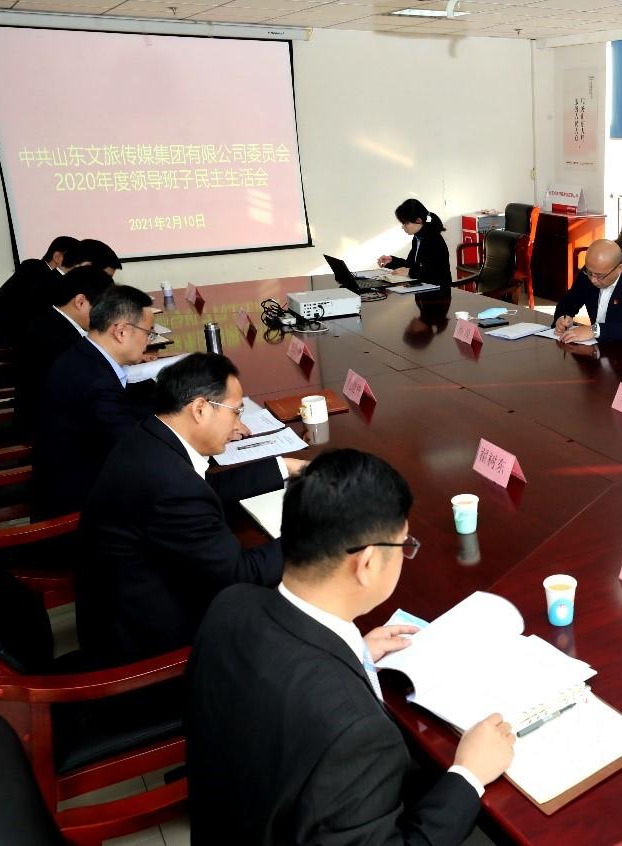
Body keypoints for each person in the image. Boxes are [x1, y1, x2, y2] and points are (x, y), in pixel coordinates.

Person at [188, 449, 514, 844]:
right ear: (367, 563)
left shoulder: (231, 604)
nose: (405, 554)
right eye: (403, 544)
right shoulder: (356, 734)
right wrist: (468, 774)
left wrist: (352, 654)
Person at [78, 353, 308, 664]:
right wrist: (318, 531)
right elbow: (240, 574)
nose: (241, 426)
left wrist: (284, 466)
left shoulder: (151, 435)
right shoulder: (172, 486)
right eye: (236, 412)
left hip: (121, 604)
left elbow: (204, 488)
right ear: (199, 409)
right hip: (151, 646)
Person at [30, 284, 158, 519]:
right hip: (85, 509)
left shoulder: (84, 355)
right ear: (121, 331)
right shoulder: (95, 382)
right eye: (148, 332)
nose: (149, 341)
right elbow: (135, 446)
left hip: (81, 476)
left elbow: (124, 408)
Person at [12, 265, 114, 435]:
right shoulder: (55, 337)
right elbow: (90, 382)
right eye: (105, 310)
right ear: (80, 302)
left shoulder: (53, 319)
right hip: (50, 428)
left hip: (53, 413)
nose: (107, 318)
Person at [551, 239, 622, 344]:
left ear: (619, 268)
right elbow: (570, 300)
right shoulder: (591, 271)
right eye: (589, 273)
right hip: (596, 345)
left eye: (599, 276)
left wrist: (595, 330)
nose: (593, 280)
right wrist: (562, 317)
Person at [0, 235, 79, 349]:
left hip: (9, 342)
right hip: (13, 349)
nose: (79, 268)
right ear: (57, 257)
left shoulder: (34, 269)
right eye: (77, 262)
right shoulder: (38, 274)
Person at [377, 198, 452, 284]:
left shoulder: (433, 239)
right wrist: (392, 261)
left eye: (406, 223)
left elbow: (435, 273)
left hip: (438, 289)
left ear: (418, 220)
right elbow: (411, 265)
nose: (403, 227)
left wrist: (409, 272)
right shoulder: (418, 238)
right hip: (423, 287)